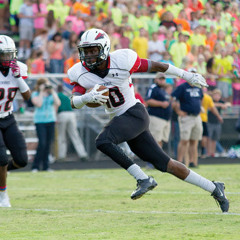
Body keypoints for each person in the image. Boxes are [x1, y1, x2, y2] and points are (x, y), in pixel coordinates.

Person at [68, 28, 229, 212]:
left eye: (93, 50)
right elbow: (74, 102)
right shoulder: (79, 72)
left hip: (134, 113)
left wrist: (187, 76)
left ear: (104, 48)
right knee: (167, 165)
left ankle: (143, 179)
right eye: (86, 51)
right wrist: (85, 99)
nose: (88, 55)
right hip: (123, 121)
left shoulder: (122, 60)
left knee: (103, 141)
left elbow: (158, 66)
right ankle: (214, 187)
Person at [0, 35, 31, 207]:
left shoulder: (19, 68)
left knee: (22, 160)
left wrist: (18, 77)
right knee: (2, 159)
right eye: (3, 55)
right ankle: (3, 195)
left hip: (8, 117)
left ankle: (1, 174)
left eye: (9, 54)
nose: (7, 58)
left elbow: (28, 98)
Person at [31, 78, 61, 172]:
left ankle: (46, 166)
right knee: (42, 143)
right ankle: (35, 166)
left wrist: (52, 92)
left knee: (48, 144)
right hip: (40, 121)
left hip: (51, 120)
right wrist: (40, 92)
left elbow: (58, 103)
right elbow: (39, 104)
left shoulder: (51, 94)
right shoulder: (35, 94)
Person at [57, 84, 88, 161]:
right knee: (75, 135)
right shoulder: (66, 97)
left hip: (62, 114)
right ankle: (82, 154)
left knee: (61, 136)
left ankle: (61, 156)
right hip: (71, 114)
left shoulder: (57, 96)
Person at [145, 72, 172, 147]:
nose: (162, 81)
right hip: (156, 118)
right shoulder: (153, 87)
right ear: (155, 79)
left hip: (164, 119)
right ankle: (155, 158)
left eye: (163, 79)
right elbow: (148, 101)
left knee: (159, 141)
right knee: (155, 141)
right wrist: (161, 104)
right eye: (160, 79)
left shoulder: (162, 89)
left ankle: (159, 158)